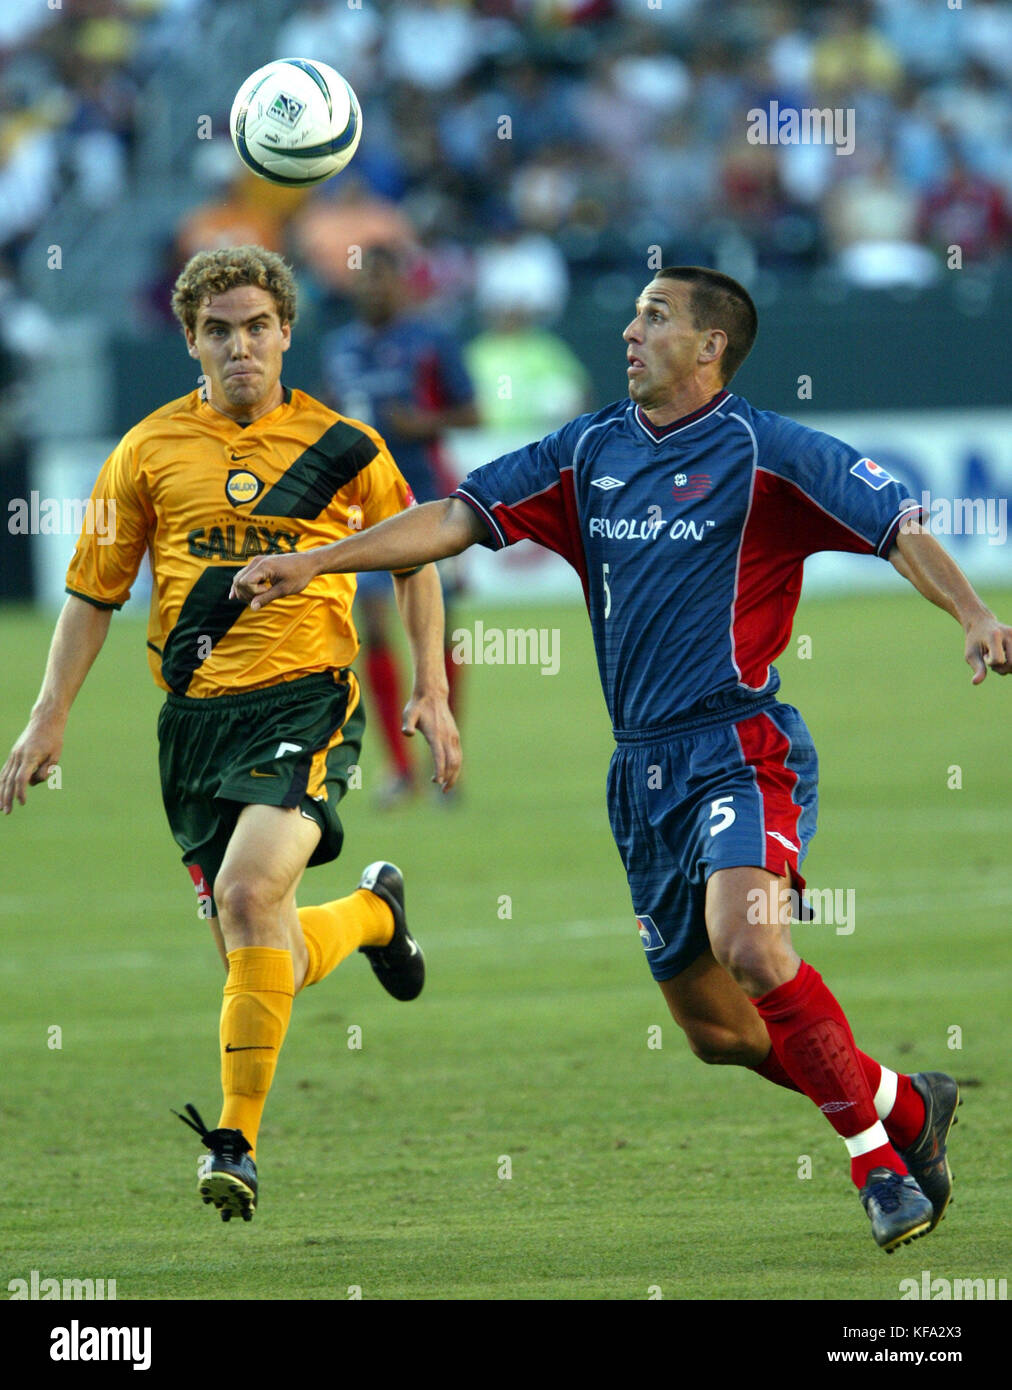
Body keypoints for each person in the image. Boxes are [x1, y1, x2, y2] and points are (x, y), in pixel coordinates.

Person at [229, 265, 1011, 1252]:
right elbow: (452, 518)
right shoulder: (585, 449)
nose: (632, 330)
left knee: (752, 944)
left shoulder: (767, 450)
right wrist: (315, 560)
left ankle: (875, 1164)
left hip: (739, 746)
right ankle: (906, 1101)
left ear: (710, 344)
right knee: (717, 1030)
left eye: (656, 316)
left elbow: (896, 524)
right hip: (636, 776)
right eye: (634, 314)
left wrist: (975, 614)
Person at [0, 245, 460, 1224]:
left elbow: (418, 555)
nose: (241, 345)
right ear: (191, 339)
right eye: (219, 330)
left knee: (250, 893)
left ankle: (235, 1142)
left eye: (257, 326)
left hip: (307, 702)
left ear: (287, 330)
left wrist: (430, 686)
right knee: (267, 952)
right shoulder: (146, 451)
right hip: (193, 728)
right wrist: (50, 712)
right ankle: (376, 913)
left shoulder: (345, 446)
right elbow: (92, 593)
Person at [320, 243, 478, 806]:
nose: (374, 289)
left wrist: (423, 422)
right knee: (374, 623)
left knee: (438, 629)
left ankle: (443, 758)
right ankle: (398, 769)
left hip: (428, 499)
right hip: (362, 507)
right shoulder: (341, 348)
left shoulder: (431, 340)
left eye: (384, 279)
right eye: (366, 280)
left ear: (402, 285)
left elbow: (474, 410)